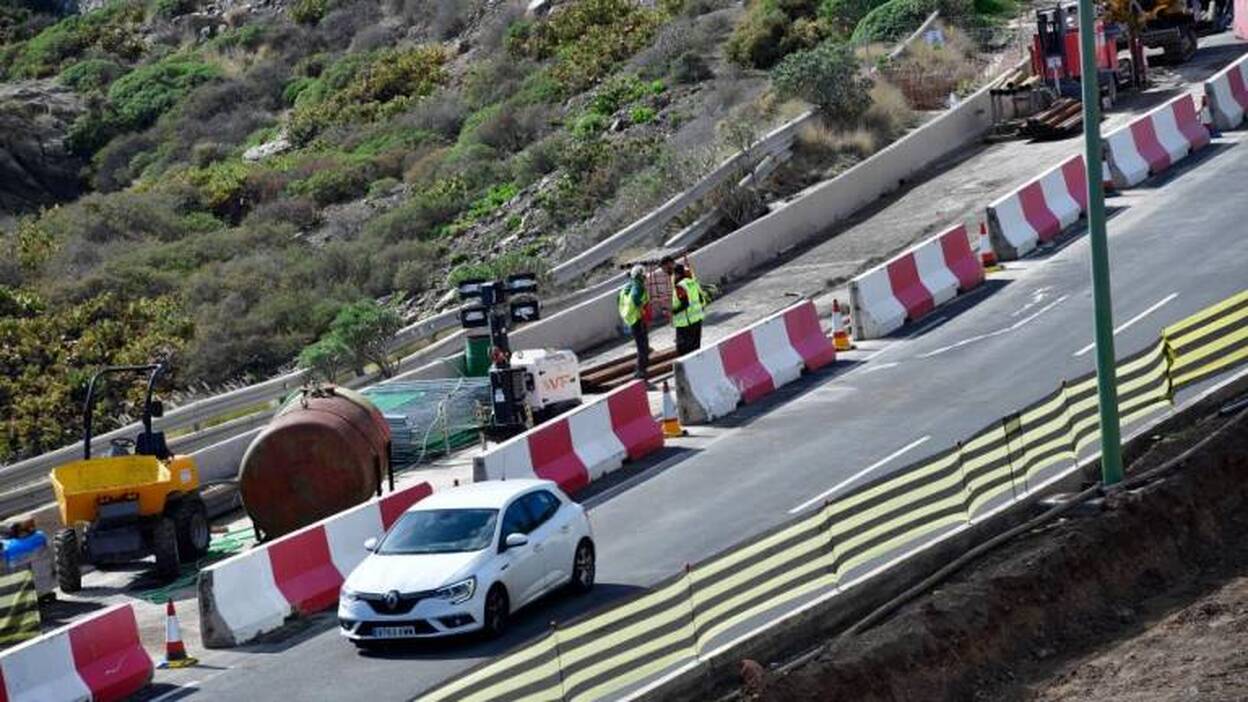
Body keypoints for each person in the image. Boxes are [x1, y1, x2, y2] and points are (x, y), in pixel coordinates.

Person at [619, 265, 651, 379]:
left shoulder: (627, 287)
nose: (645, 278)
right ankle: (640, 374)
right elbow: (636, 298)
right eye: (643, 276)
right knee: (644, 349)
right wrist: (642, 310)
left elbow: (620, 300)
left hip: (631, 320)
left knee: (642, 347)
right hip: (638, 320)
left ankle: (640, 372)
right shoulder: (638, 286)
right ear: (639, 276)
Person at [671, 264, 707, 356]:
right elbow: (700, 298)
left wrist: (672, 311)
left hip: (685, 323)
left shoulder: (680, 286)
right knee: (695, 349)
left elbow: (684, 304)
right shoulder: (692, 282)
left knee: (683, 351)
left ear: (677, 274)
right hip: (697, 319)